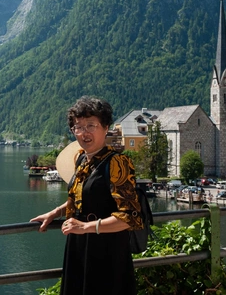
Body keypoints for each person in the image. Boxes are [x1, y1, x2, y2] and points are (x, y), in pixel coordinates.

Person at [31, 96, 143, 294]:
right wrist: (56, 212)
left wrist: (86, 227)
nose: (84, 133)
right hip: (80, 244)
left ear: (105, 127)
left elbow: (130, 217)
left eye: (91, 125)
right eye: (78, 127)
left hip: (106, 250)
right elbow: (84, 199)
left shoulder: (118, 163)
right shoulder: (82, 159)